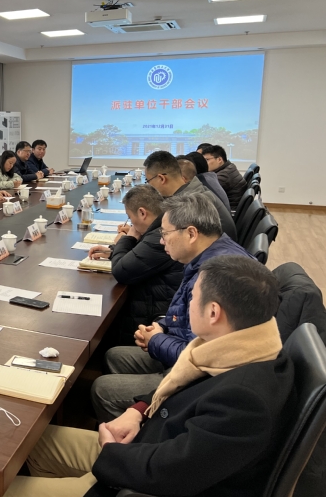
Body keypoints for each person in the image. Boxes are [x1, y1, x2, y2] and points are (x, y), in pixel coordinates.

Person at [6, 256, 293, 497]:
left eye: (193, 297)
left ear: (213, 312)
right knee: (24, 444)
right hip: (144, 443)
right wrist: (139, 410)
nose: (187, 304)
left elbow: (172, 472)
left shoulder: (244, 399)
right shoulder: (242, 347)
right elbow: (180, 390)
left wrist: (111, 450)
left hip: (138, 479)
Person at [90, 193, 253, 422]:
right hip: (186, 352)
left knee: (102, 389)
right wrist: (162, 326)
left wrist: (156, 340)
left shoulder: (216, 278)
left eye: (165, 234)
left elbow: (200, 358)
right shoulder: (205, 256)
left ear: (191, 234)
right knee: (113, 355)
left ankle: (138, 436)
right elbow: (184, 314)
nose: (161, 241)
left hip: (198, 381)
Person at [88, 184, 183, 345]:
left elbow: (121, 271)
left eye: (130, 218)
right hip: (157, 300)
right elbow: (141, 254)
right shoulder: (163, 223)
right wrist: (113, 252)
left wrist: (128, 238)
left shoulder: (159, 236)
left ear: (142, 213)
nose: (130, 224)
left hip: (154, 315)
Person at [142, 150, 237, 241]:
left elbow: (155, 242)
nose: (149, 185)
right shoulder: (197, 189)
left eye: (148, 181)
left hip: (217, 251)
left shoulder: (189, 203)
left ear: (161, 178)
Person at [201, 144, 247, 209]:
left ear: (219, 159)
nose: (204, 163)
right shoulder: (229, 167)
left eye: (207, 160)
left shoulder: (224, 176)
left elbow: (203, 193)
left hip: (231, 211)